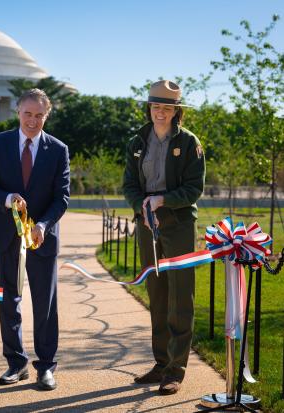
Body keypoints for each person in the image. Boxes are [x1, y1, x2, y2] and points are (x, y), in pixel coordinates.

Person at [0, 88, 70, 391]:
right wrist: (7, 199)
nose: (33, 120)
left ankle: (46, 367)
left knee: (45, 303)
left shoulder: (58, 150)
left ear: (47, 116)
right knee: (9, 300)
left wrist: (43, 225)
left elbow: (62, 198)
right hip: (6, 235)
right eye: (28, 113)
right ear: (18, 111)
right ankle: (15, 364)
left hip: (41, 238)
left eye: (39, 115)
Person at [123, 80, 206, 395]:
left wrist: (163, 200)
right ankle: (160, 363)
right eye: (156, 106)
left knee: (179, 296)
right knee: (156, 294)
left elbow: (193, 188)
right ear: (149, 107)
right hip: (147, 224)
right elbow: (130, 183)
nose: (160, 112)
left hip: (178, 224)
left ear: (176, 111)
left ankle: (176, 370)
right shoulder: (137, 141)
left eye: (167, 108)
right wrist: (141, 205)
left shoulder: (189, 143)